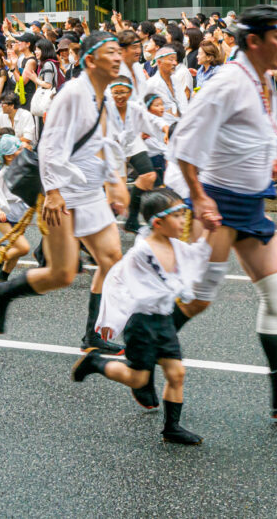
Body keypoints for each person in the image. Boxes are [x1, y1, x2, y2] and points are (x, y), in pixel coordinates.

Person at [166, 5, 277, 419]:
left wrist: (275, 164)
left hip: (252, 202)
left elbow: (245, 140)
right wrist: (199, 199)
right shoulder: (226, 82)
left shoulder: (264, 81)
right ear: (254, 42)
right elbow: (183, 143)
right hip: (218, 203)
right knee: (196, 300)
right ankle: (140, 350)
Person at [0, 31, 129, 356]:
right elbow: (49, 144)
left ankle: (93, 335)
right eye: (111, 52)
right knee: (62, 273)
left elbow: (102, 144)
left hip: (90, 191)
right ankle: (3, 291)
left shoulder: (102, 94)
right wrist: (52, 192)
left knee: (111, 259)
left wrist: (115, 181)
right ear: (91, 60)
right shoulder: (74, 93)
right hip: (64, 193)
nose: (118, 57)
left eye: (119, 51)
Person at [72, 188, 208, 445]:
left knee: (176, 373)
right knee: (138, 378)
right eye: (178, 216)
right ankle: (96, 363)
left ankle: (172, 427)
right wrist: (110, 322)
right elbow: (115, 282)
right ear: (158, 223)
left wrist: (212, 227)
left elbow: (200, 255)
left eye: (184, 215)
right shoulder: (141, 253)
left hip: (164, 321)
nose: (183, 221)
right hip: (142, 324)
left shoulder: (178, 247)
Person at [109, 76, 169, 233]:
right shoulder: (105, 110)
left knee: (149, 175)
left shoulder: (135, 108)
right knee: (116, 197)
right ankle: (91, 234)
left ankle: (132, 219)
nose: (120, 96)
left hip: (133, 145)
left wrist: (165, 128)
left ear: (130, 93)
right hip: (112, 150)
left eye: (123, 92)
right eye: (116, 92)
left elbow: (152, 119)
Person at [0, 135, 31, 282]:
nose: (21, 150)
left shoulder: (22, 168)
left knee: (17, 254)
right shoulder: (3, 175)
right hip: (5, 218)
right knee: (23, 248)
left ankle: (2, 279)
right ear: (10, 156)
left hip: (20, 218)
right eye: (18, 149)